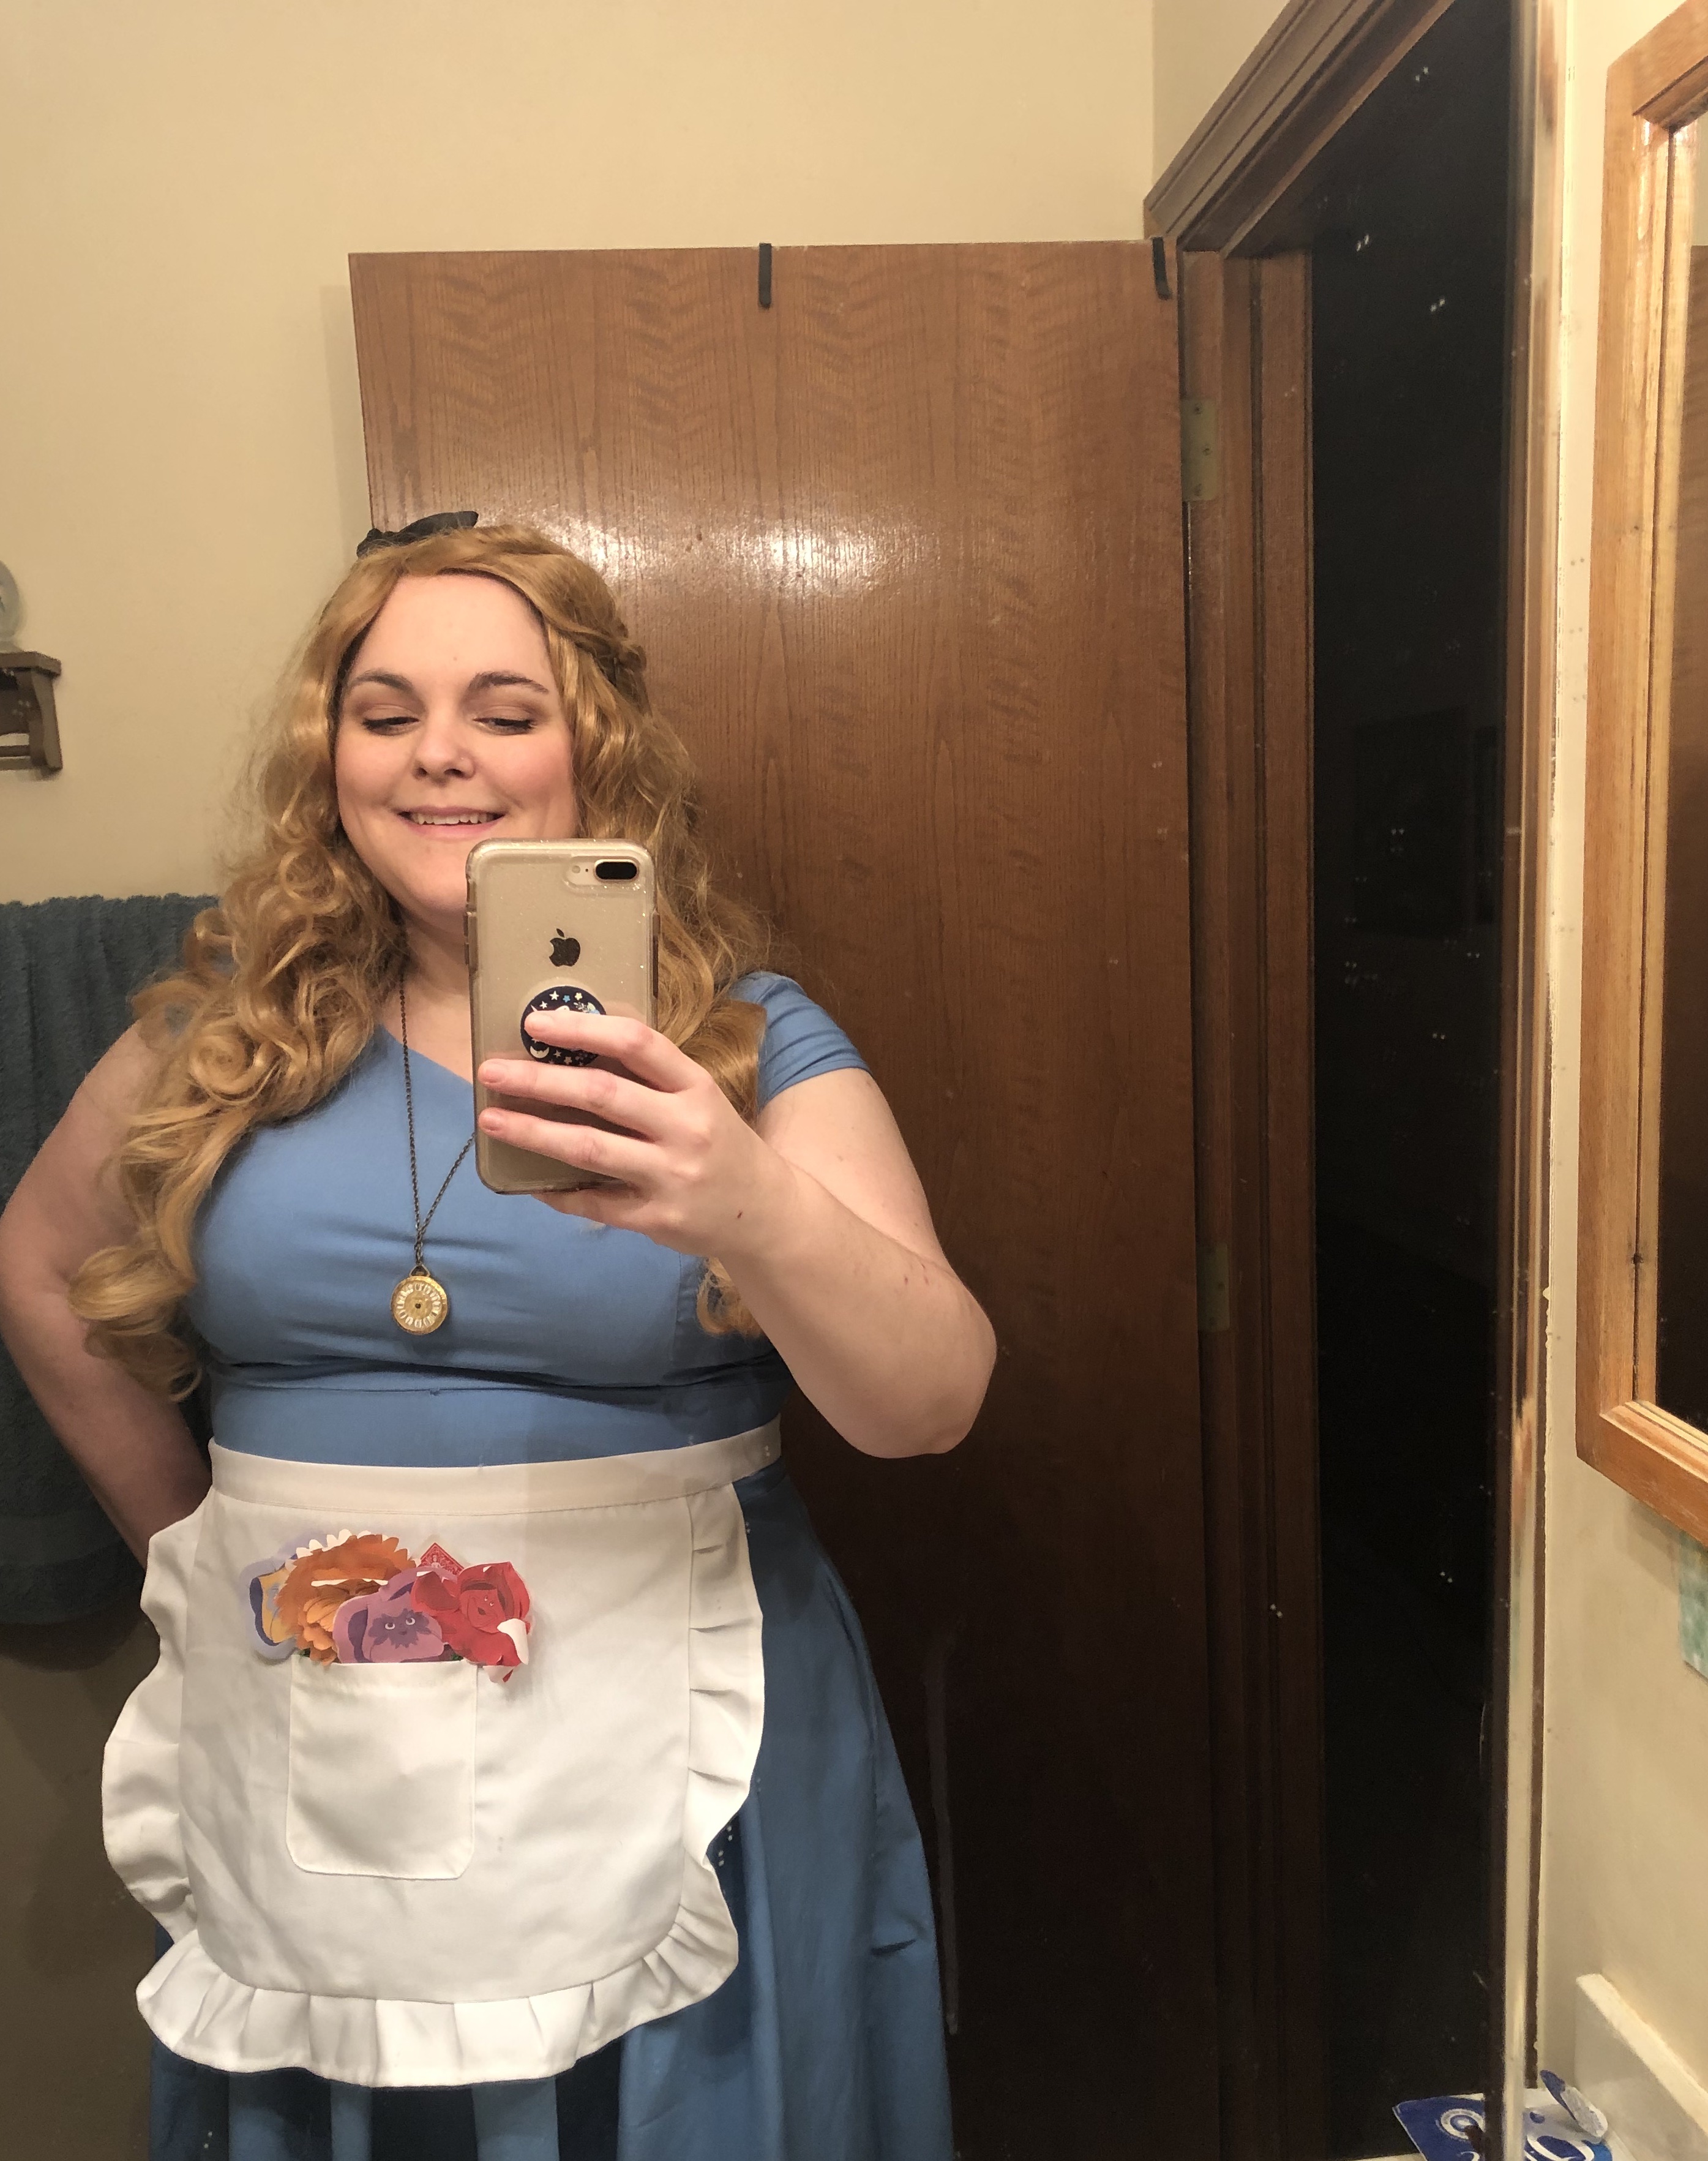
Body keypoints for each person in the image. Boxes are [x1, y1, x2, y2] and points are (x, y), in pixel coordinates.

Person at [0, 521, 995, 2161]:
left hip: (676, 1725)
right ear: (331, 757)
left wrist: (747, 1202)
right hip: (304, 1720)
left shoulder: (740, 1041)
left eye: (504, 711)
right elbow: (42, 1269)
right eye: (383, 712)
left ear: (595, 749)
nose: (437, 752)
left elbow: (931, 1402)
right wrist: (190, 1548)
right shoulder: (227, 1030)